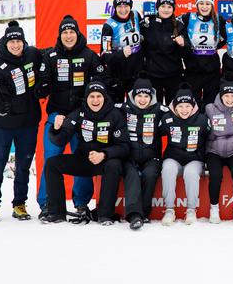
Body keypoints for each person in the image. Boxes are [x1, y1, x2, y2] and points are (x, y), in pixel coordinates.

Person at [35, 15, 106, 220]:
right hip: (57, 115)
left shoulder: (89, 55)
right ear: (60, 35)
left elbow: (101, 82)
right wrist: (43, 87)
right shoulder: (51, 56)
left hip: (83, 117)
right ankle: (47, 203)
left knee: (82, 158)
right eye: (64, 32)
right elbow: (42, 84)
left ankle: (81, 203)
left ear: (78, 33)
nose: (68, 36)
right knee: (51, 157)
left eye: (71, 32)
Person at [0, 21, 42, 222]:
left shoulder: (32, 55)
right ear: (6, 43)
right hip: (4, 127)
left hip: (28, 124)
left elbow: (50, 56)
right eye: (12, 42)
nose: (16, 45)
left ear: (24, 42)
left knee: (23, 166)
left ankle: (20, 204)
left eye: (19, 41)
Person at [41, 81, 128, 225]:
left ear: (104, 98)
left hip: (106, 160)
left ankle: (105, 215)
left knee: (114, 165)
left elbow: (124, 146)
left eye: (98, 96)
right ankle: (56, 213)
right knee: (52, 164)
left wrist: (104, 154)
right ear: (86, 98)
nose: (95, 100)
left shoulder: (115, 115)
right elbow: (60, 140)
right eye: (91, 96)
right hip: (84, 159)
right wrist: (56, 129)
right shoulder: (78, 113)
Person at [117, 74, 168, 228]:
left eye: (146, 96)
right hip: (129, 156)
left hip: (151, 157)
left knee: (150, 175)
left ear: (151, 96)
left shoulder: (160, 109)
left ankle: (144, 213)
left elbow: (179, 114)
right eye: (139, 95)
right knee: (132, 174)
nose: (142, 99)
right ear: (133, 95)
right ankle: (134, 215)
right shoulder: (123, 109)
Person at [158, 84, 211, 226]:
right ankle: (169, 210)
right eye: (180, 106)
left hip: (194, 158)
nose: (184, 110)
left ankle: (191, 210)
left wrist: (207, 159)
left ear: (193, 106)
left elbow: (210, 140)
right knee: (168, 170)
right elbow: (156, 135)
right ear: (174, 106)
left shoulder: (202, 120)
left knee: (190, 173)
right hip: (173, 157)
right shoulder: (167, 119)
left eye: (187, 106)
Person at [204, 73, 233, 224]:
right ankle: (214, 209)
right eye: (227, 96)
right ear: (221, 95)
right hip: (214, 150)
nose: (230, 99)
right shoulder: (210, 108)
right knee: (216, 175)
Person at [179, 0, 226, 108]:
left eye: (207, 3)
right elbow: (176, 31)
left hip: (212, 69)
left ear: (212, 5)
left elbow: (223, 39)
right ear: (197, 4)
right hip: (193, 69)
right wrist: (188, 47)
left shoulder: (219, 19)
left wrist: (210, 49)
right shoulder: (188, 18)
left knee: (210, 104)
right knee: (192, 104)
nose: (204, 7)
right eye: (201, 3)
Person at [140, 0, 187, 104]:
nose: (166, 10)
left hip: (174, 76)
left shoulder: (179, 25)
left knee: (173, 109)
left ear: (173, 8)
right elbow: (142, 49)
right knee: (155, 111)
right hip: (153, 76)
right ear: (157, 7)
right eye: (163, 6)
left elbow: (187, 53)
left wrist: (183, 44)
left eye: (169, 7)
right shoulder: (147, 24)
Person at [100, 0, 144, 102]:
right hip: (117, 76)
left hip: (135, 74)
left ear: (131, 5)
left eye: (126, 6)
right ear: (115, 7)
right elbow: (104, 55)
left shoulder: (135, 15)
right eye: (119, 6)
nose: (123, 10)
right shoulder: (109, 26)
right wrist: (121, 53)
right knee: (117, 112)